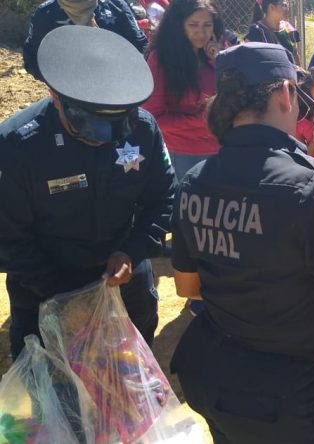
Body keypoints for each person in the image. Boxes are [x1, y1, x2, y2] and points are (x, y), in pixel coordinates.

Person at [169, 42, 314, 443]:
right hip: (280, 393)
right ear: (285, 93)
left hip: (211, 373)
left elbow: (187, 287)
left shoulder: (196, 178)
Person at [0, 26, 174, 358]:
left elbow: (163, 199)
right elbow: (8, 237)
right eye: (89, 125)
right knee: (56, 397)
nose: (104, 137)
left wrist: (132, 251)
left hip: (123, 281)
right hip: (45, 292)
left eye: (118, 125)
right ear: (55, 96)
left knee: (131, 387)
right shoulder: (17, 147)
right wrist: (61, 296)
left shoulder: (144, 130)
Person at [144, 0, 223, 181]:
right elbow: (153, 118)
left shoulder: (219, 55)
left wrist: (217, 61)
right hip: (181, 152)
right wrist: (205, 119)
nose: (201, 32)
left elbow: (230, 96)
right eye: (193, 25)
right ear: (178, 24)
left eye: (207, 25)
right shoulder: (160, 59)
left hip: (219, 148)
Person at [22, 0, 147, 81]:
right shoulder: (45, 14)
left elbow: (141, 49)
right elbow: (33, 60)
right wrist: (62, 83)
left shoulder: (116, 6)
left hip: (119, 96)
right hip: (67, 102)